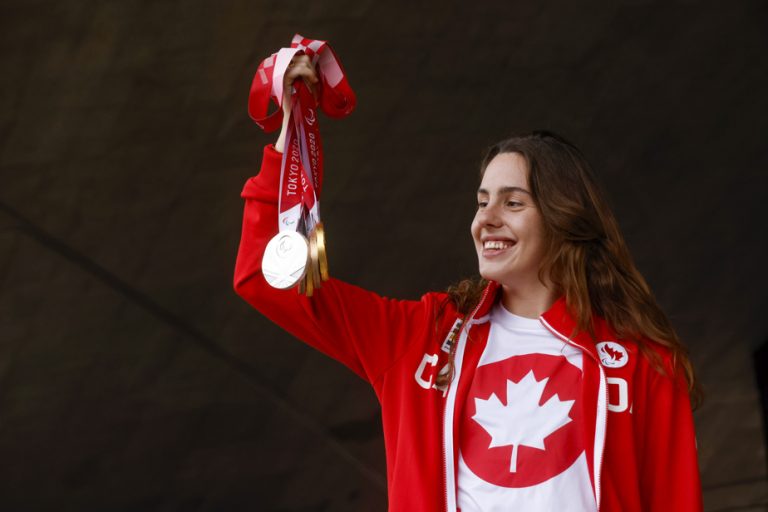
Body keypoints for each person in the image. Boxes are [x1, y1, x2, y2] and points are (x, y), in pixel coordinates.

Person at [234, 55, 703, 511]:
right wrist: (289, 140)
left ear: (564, 219)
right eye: (482, 202)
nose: (487, 220)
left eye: (513, 203)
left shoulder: (645, 362)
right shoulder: (421, 337)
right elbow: (264, 277)